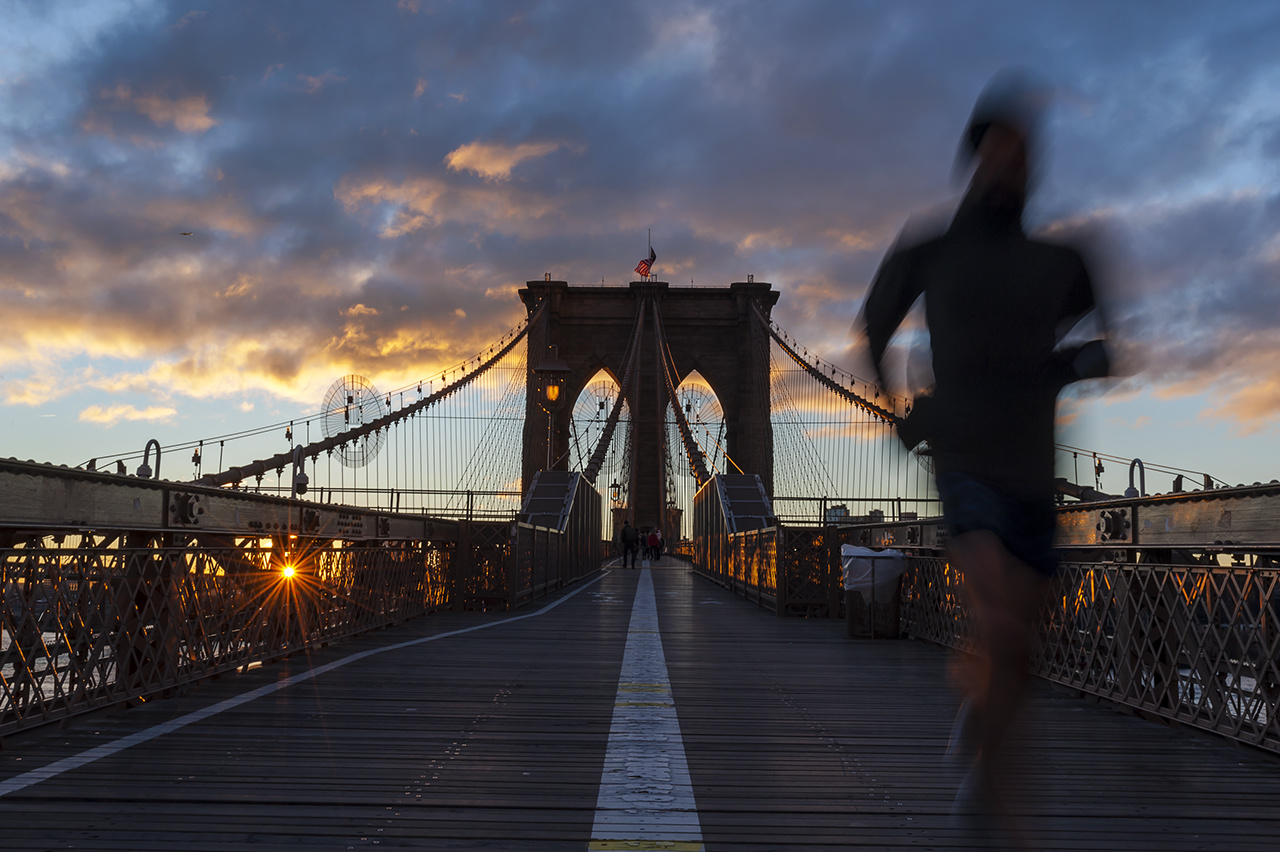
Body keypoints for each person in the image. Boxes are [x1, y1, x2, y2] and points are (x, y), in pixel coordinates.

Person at [859, 70, 1110, 846]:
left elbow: (1105, 347)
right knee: (1002, 625)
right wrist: (908, 405)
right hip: (965, 463)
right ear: (977, 159)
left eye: (1025, 154)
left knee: (1015, 652)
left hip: (1032, 471)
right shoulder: (930, 251)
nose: (1013, 166)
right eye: (1000, 152)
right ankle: (1001, 819)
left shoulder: (1062, 260)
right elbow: (873, 325)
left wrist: (1063, 368)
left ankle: (980, 721)